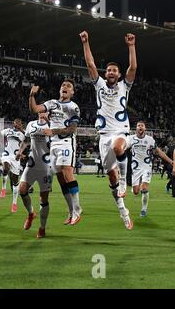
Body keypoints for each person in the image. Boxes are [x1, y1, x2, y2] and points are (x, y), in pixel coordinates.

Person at [80, 30, 137, 229]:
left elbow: (133, 66)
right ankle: (123, 211)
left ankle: (124, 182)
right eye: (109, 70)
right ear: (106, 74)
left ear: (119, 75)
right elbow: (90, 64)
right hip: (103, 137)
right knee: (110, 178)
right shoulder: (100, 85)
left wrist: (131, 46)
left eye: (114, 70)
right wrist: (86, 42)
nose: (111, 72)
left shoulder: (124, 86)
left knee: (119, 147)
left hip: (121, 132)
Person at [29, 81, 83, 225]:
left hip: (66, 142)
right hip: (53, 145)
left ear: (72, 92)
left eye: (69, 86)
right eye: (63, 85)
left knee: (67, 172)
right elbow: (35, 108)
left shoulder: (74, 107)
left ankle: (77, 210)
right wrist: (32, 95)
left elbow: (72, 129)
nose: (65, 87)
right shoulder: (52, 103)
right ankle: (71, 212)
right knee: (60, 178)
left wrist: (53, 131)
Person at [16, 112, 52, 238]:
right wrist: (20, 152)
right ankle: (31, 213)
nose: (43, 112)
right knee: (22, 189)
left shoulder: (52, 125)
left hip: (46, 167)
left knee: (43, 199)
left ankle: (42, 228)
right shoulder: (31, 124)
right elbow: (26, 140)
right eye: (41, 109)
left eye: (45, 110)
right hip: (31, 165)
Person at [128, 121, 174, 216]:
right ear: (136, 128)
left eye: (142, 125)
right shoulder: (130, 139)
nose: (140, 127)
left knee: (144, 189)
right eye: (138, 125)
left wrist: (171, 161)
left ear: (145, 128)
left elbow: (160, 152)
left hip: (146, 166)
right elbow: (122, 149)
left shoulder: (150, 140)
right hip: (135, 168)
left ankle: (144, 209)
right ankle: (139, 184)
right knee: (136, 192)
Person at [0, 119, 25, 213]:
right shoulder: (8, 130)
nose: (17, 124)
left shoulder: (23, 134)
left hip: (15, 158)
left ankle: (14, 203)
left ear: (21, 124)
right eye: (16, 122)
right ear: (13, 123)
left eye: (19, 123)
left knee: (15, 181)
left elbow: (28, 140)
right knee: (5, 169)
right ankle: (3, 187)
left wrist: (22, 130)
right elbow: (0, 133)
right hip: (6, 154)